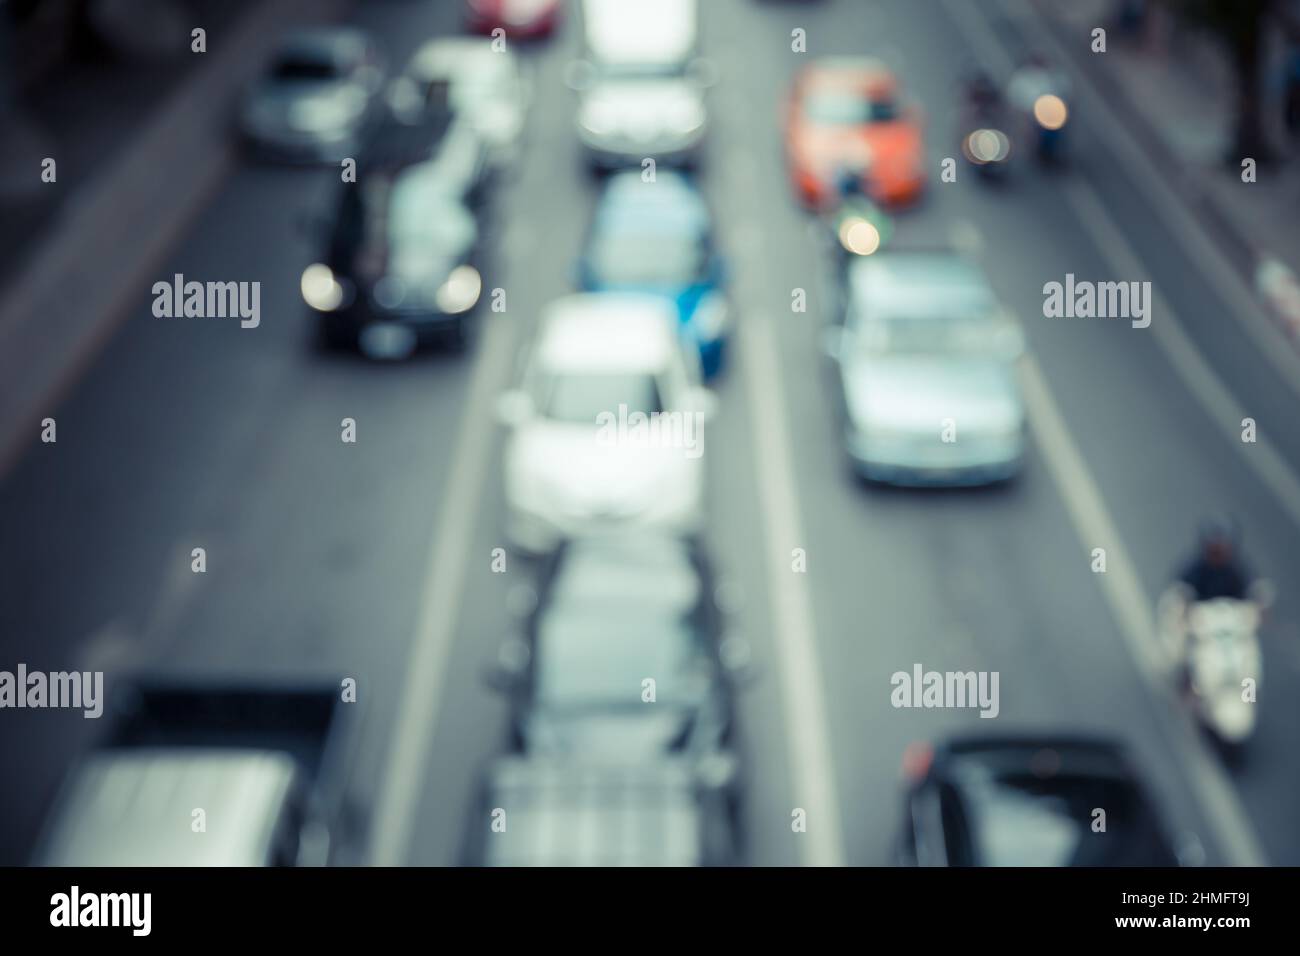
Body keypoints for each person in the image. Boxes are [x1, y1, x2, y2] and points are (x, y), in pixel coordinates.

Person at [1177, 517, 1251, 602]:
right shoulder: (1194, 571)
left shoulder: (1237, 571)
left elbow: (1248, 593)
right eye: (1214, 551)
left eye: (1221, 550)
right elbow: (1182, 591)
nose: (1218, 553)